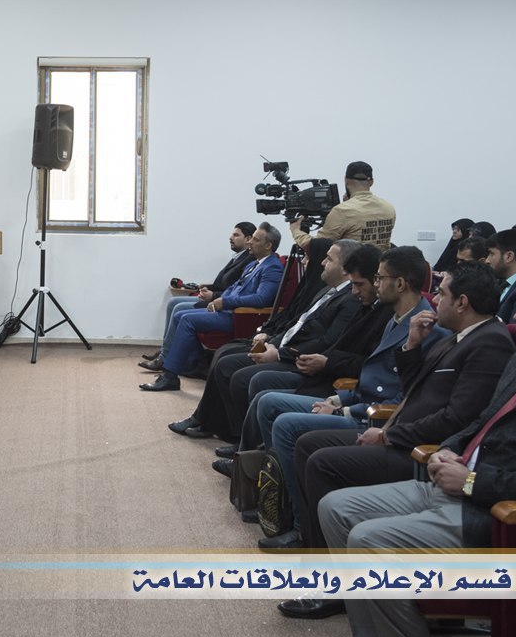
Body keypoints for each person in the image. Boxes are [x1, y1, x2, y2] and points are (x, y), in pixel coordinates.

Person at [319, 276, 516, 637]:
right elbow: (481, 422)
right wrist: (448, 448)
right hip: (454, 484)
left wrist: (472, 482)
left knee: (369, 541)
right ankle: (378, 626)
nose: (515, 318)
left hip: (499, 514)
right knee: (335, 508)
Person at [280, 260, 514, 619]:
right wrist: (412, 346)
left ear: (462, 302)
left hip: (420, 453)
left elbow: (457, 418)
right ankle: (317, 554)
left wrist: (389, 434)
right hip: (401, 433)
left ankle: (332, 583)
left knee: (323, 462)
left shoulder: (490, 344)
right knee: (309, 444)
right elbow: (414, 391)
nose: (434, 299)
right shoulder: (456, 337)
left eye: (442, 293)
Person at [240, 246, 447, 549]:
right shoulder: (397, 317)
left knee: (285, 423)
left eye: (380, 278)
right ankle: (279, 501)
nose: (376, 284)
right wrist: (338, 401)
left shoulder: (424, 328)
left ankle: (298, 524)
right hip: (356, 401)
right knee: (270, 402)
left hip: (375, 417)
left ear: (400, 283)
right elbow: (371, 377)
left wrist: (345, 412)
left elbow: (405, 396)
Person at [168, 239, 359, 440]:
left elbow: (325, 341)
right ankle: (207, 420)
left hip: (295, 355)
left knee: (229, 366)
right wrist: (270, 337)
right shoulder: (326, 290)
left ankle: (233, 434)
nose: (321, 262)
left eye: (329, 259)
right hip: (277, 341)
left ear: (345, 268)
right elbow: (295, 322)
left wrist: (278, 352)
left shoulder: (348, 300)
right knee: (225, 352)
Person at [140, 223, 284, 392]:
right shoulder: (253, 264)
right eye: (251, 238)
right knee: (180, 315)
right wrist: (218, 299)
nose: (250, 242)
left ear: (268, 246)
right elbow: (234, 287)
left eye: (256, 239)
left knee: (186, 319)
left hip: (241, 317)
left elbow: (261, 298)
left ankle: (170, 376)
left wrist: (225, 302)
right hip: (228, 310)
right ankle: (198, 364)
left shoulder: (272, 266)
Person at [289, 161, 395, 249]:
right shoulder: (388, 208)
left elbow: (316, 247)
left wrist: (296, 230)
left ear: (346, 180)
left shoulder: (342, 211)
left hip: (351, 268)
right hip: (380, 267)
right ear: (371, 182)